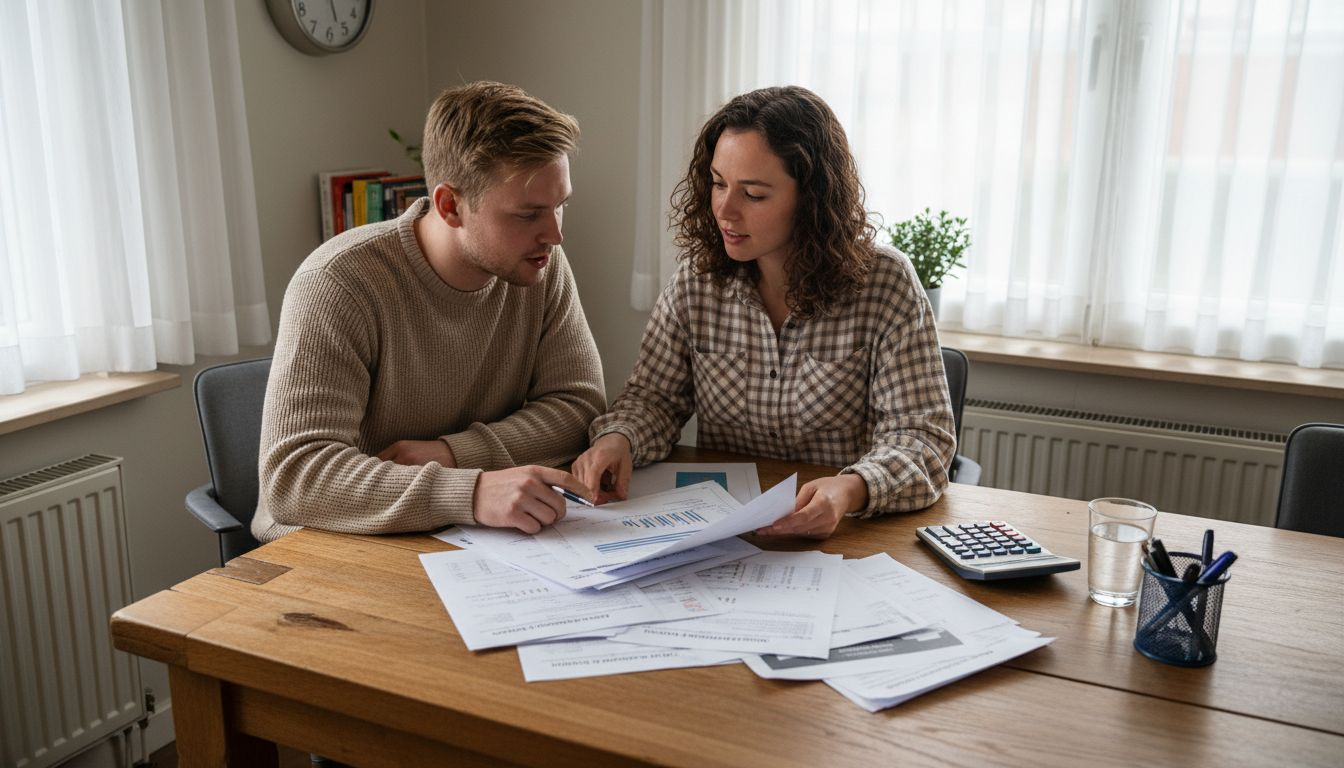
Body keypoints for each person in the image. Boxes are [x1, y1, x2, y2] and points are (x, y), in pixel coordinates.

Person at [572, 85, 955, 539]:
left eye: (753, 194)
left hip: (844, 537)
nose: (725, 210)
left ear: (811, 200)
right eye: (717, 184)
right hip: (725, 536)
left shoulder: (884, 283)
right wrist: (619, 439)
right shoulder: (697, 280)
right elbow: (653, 400)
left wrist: (850, 489)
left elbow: (922, 438)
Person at [254, 81, 606, 544]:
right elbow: (295, 478)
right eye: (528, 215)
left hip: (464, 535)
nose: (554, 235)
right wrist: (472, 492)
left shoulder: (540, 266)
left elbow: (579, 408)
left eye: (560, 207)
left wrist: (453, 455)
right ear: (450, 205)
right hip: (333, 544)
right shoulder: (339, 283)